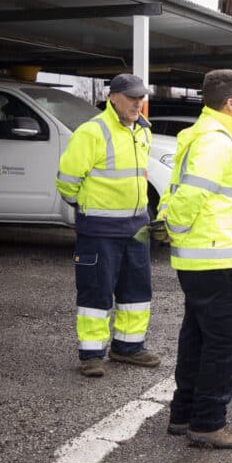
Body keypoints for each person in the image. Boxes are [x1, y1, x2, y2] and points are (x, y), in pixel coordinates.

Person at [160, 69, 232, 448]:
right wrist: (177, 227)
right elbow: (189, 197)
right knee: (225, 342)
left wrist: (175, 229)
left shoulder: (200, 135)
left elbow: (174, 190)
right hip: (216, 256)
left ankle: (184, 414)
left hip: (201, 257)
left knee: (197, 337)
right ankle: (208, 422)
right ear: (231, 102)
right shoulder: (218, 141)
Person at [55, 73, 160, 378]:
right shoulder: (92, 132)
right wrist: (88, 209)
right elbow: (67, 182)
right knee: (96, 291)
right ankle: (91, 355)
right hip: (100, 229)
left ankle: (128, 348)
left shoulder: (143, 131)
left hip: (137, 226)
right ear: (113, 97)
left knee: (137, 291)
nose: (137, 103)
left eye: (141, 97)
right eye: (131, 97)